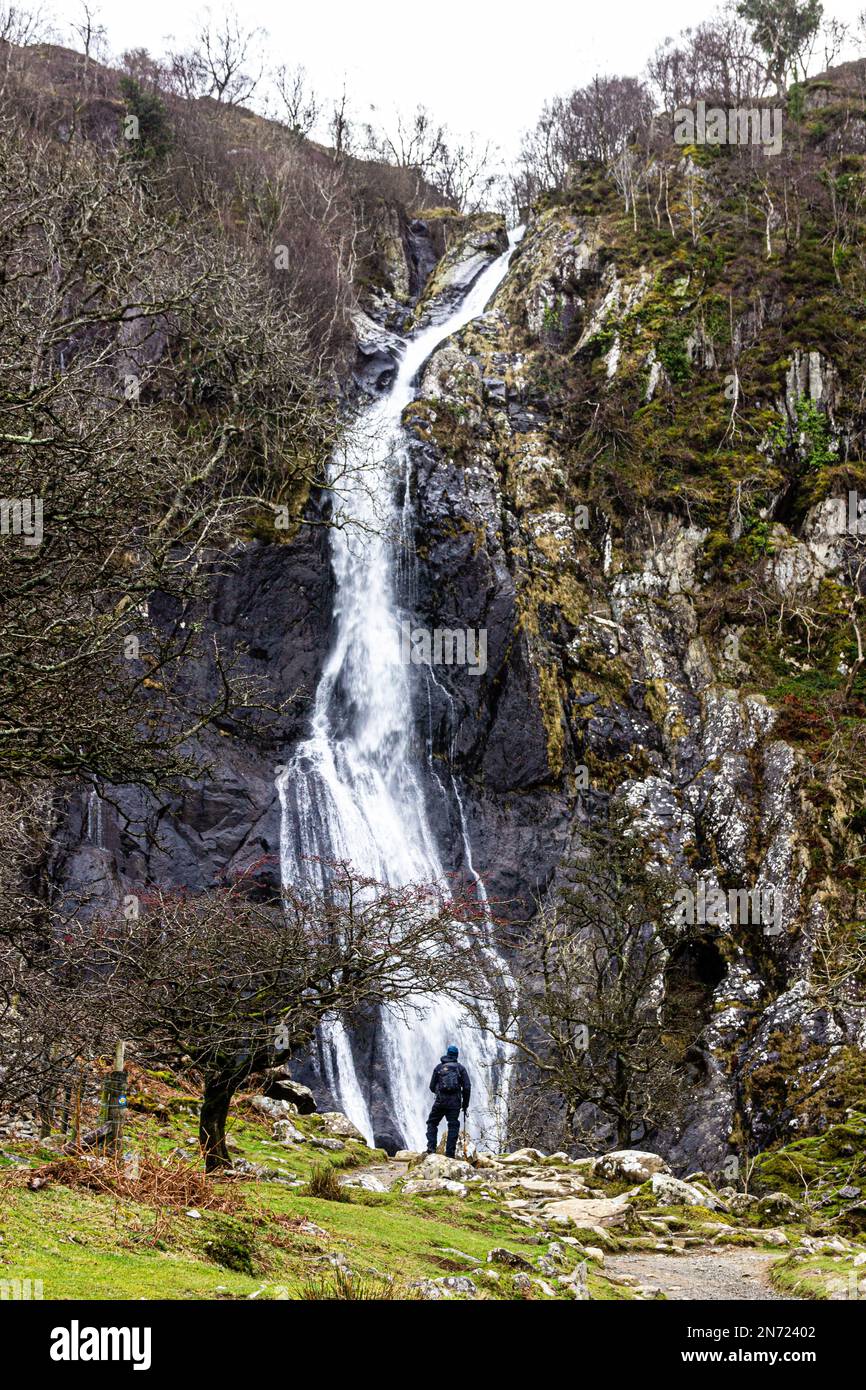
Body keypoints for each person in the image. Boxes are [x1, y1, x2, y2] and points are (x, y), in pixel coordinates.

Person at [426, 1044, 471, 1158]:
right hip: (455, 1103)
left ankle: (431, 1149)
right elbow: (467, 1087)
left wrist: (438, 1092)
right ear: (456, 1055)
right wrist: (465, 1104)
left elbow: (431, 1086)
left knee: (432, 1123)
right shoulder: (460, 1068)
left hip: (440, 1102)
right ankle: (450, 1154)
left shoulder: (438, 1068)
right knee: (453, 1125)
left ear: (447, 1054)